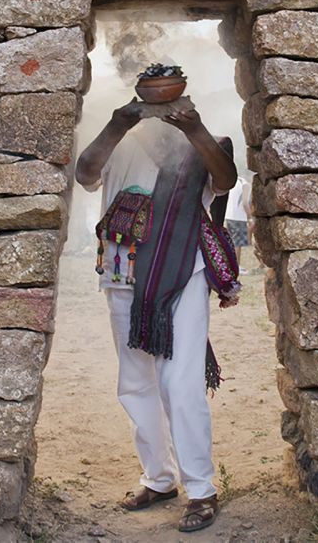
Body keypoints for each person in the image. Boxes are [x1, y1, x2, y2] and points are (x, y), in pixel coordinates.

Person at [75, 89, 238, 534]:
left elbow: (225, 182)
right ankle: (160, 479)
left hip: (180, 278)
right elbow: (84, 172)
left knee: (180, 384)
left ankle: (201, 489)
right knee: (136, 384)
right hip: (122, 274)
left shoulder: (202, 144)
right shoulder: (119, 140)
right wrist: (117, 123)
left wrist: (194, 129)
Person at [225, 176, 251, 271]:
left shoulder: (233, 182)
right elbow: (245, 203)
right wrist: (250, 216)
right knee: (237, 244)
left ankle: (229, 265)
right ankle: (236, 267)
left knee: (230, 242)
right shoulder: (245, 184)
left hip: (229, 215)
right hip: (239, 217)